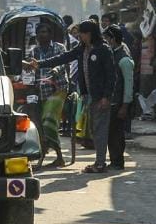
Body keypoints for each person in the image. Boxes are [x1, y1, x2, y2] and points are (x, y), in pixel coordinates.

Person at [26, 20, 115, 173]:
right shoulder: (81, 49)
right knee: (94, 129)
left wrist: (107, 97)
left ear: (90, 34)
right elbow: (63, 58)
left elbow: (111, 75)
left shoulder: (103, 50)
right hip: (89, 96)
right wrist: (39, 64)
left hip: (101, 97)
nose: (80, 36)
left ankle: (100, 164)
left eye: (82, 33)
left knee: (100, 130)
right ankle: (99, 162)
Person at [28, 23, 68, 167]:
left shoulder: (59, 48)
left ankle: (53, 156)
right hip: (40, 92)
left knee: (47, 122)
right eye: (39, 32)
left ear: (50, 35)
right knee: (35, 122)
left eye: (45, 31)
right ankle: (54, 155)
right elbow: (30, 68)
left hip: (58, 89)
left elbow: (63, 63)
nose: (42, 34)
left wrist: (57, 69)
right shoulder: (34, 51)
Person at [105, 25, 134, 170]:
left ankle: (117, 162)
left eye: (107, 38)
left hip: (120, 103)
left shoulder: (124, 59)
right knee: (112, 133)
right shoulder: (114, 54)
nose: (106, 41)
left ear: (113, 39)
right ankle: (114, 160)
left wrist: (125, 105)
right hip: (113, 101)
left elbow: (129, 85)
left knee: (117, 134)